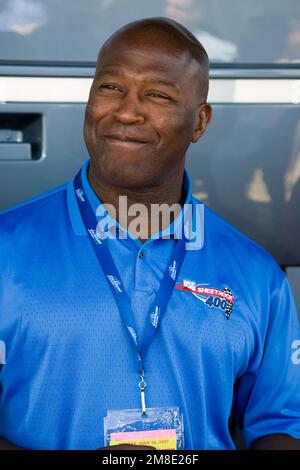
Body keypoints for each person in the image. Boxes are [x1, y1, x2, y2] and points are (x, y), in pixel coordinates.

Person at [0, 17, 299, 451]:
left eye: (157, 94)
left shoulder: (256, 274)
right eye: (110, 87)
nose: (125, 111)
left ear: (200, 123)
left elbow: (283, 426)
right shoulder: (7, 249)